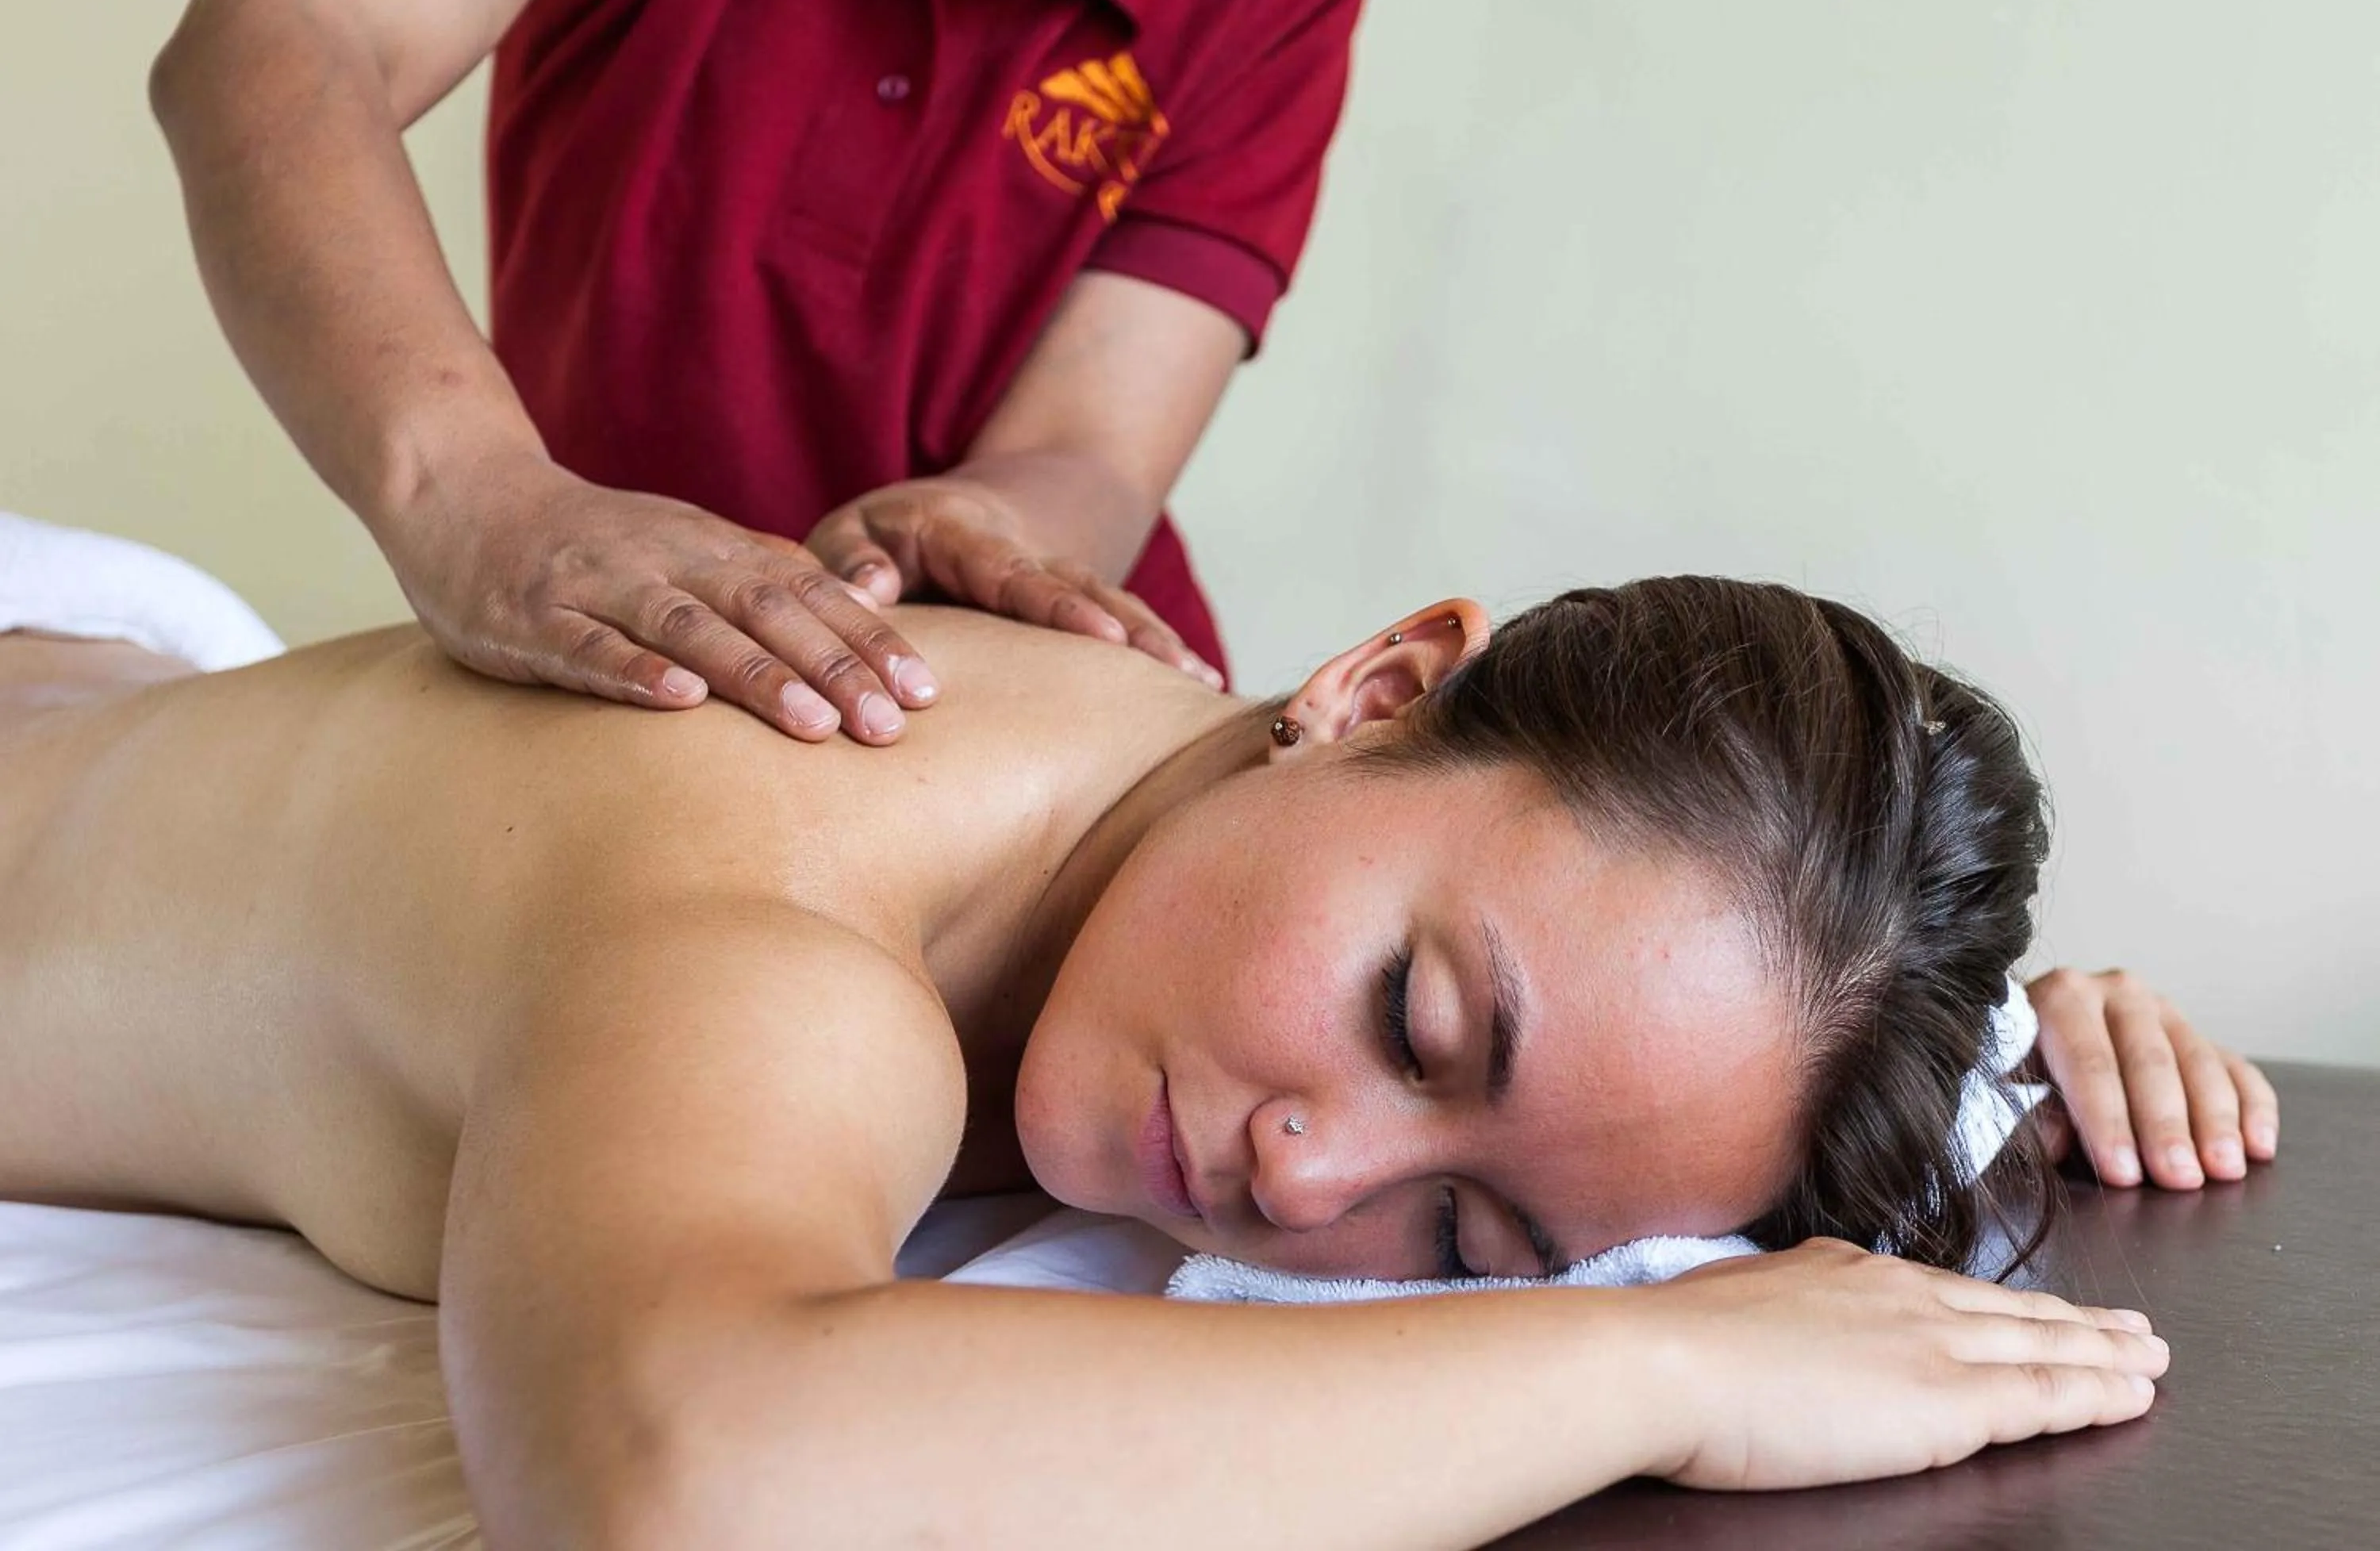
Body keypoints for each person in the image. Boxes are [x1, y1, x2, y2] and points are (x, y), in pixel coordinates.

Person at [0, 528, 2273, 1547]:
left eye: (1472, 1236)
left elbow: (1691, 1016)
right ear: (1380, 683)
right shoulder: (776, 952)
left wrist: (2018, 1047)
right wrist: (1657, 1370)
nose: (1311, 1184)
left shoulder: (1189, 760)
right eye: (1416, 1020)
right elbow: (683, 1477)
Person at [151, 0, 1372, 743]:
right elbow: (277, 36)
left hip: (986, 702)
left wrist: (981, 529)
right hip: (621, 692)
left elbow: (1090, 451)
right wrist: (475, 495)